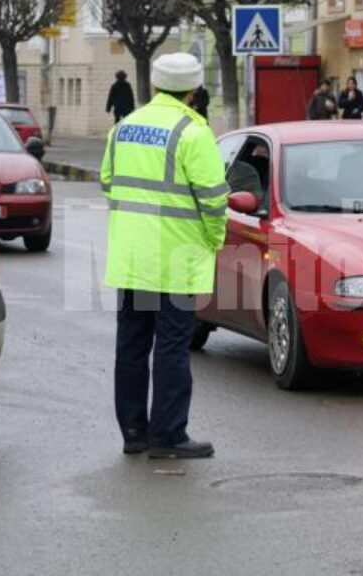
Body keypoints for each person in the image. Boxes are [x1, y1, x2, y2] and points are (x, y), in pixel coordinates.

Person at [99, 52, 229, 460]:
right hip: (175, 259)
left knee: (132, 347)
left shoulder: (124, 127)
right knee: (171, 348)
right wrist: (215, 239)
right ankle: (168, 436)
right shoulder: (193, 131)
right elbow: (213, 198)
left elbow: (107, 181)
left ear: (153, 87)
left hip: (131, 257)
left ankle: (134, 432)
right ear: (192, 91)